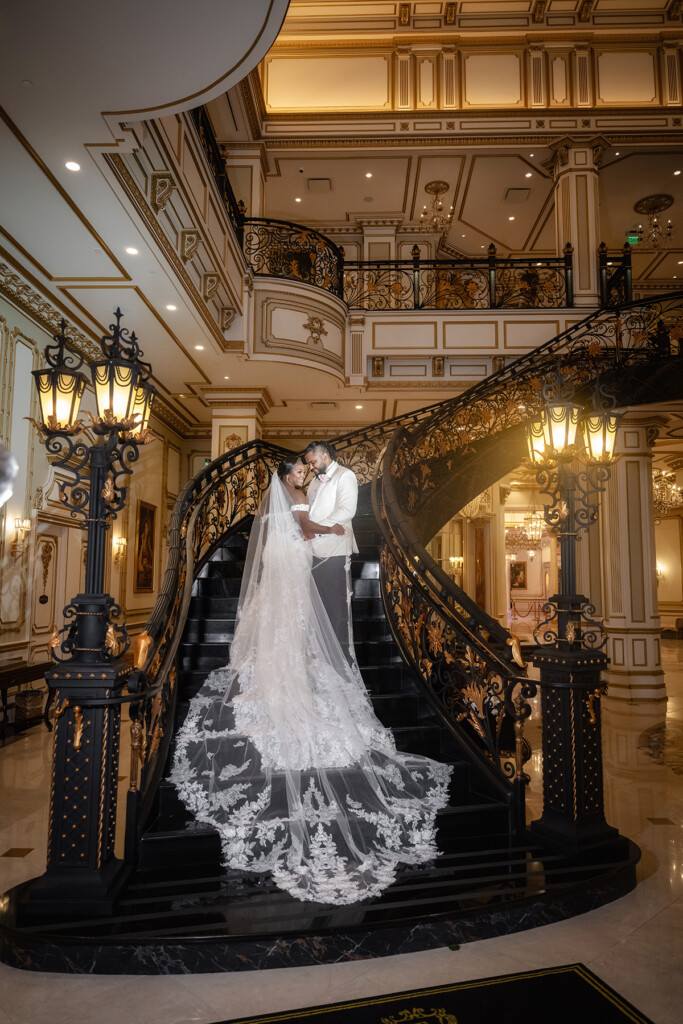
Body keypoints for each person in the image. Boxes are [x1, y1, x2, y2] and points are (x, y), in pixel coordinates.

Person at [170, 458, 452, 906]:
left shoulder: (275, 498)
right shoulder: (296, 497)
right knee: (296, 625)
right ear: (288, 477)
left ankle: (275, 666)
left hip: (278, 566)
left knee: (282, 622)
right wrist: (336, 532)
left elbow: (282, 534)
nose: (304, 477)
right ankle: (290, 673)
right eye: (300, 472)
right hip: (293, 565)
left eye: (305, 471)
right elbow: (305, 532)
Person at [304, 440, 358, 663]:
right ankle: (320, 657)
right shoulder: (313, 482)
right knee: (318, 608)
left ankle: (336, 660)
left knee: (334, 608)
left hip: (334, 548)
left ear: (325, 456)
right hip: (312, 550)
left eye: (313, 462)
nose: (310, 467)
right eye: (308, 464)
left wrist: (316, 531)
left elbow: (347, 510)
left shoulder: (346, 476)